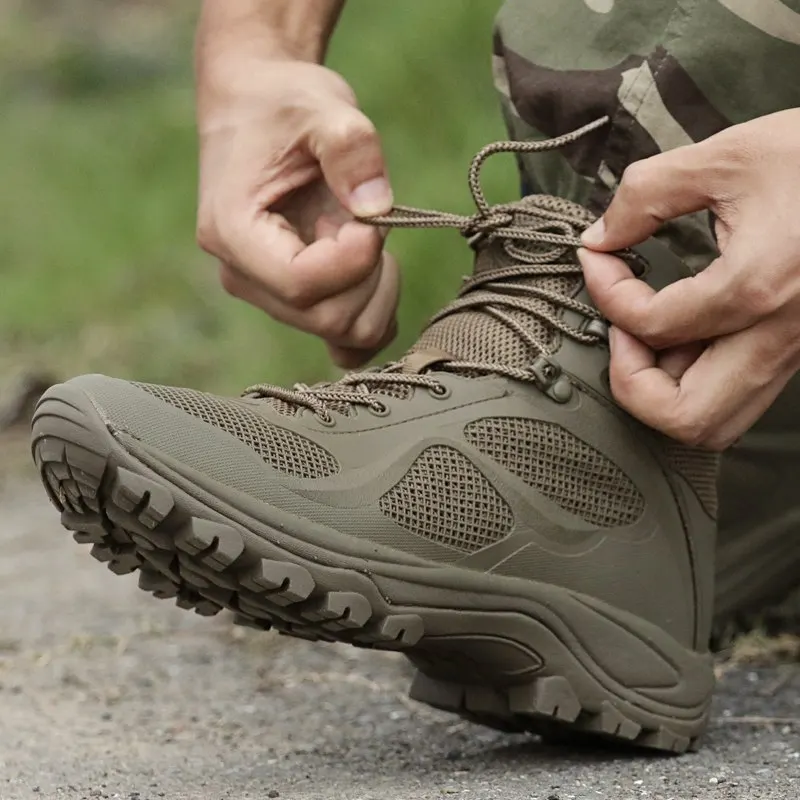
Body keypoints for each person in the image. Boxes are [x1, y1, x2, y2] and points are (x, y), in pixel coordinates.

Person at [30, 0, 799, 754]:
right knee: (696, 441)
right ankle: (631, 488)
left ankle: (571, 427)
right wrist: (258, 50)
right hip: (726, 377)